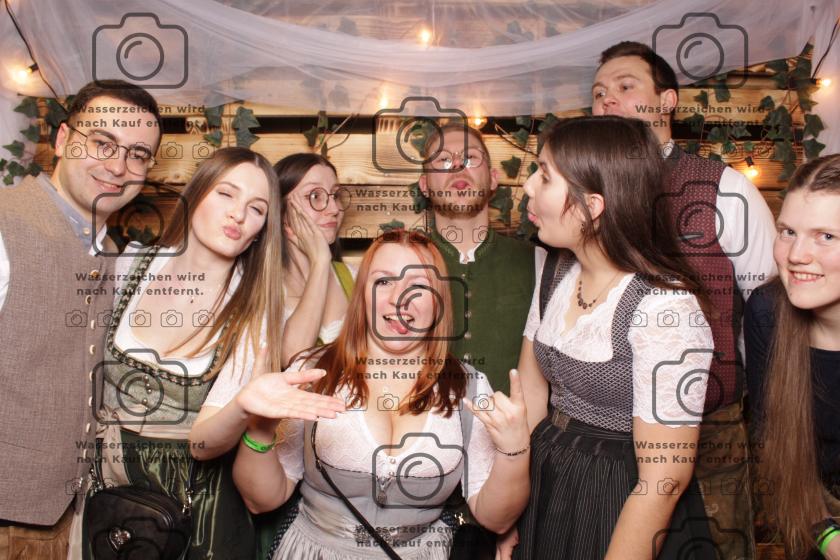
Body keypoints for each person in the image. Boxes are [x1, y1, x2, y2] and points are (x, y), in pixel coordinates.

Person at [231, 229, 531, 559]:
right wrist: (259, 426)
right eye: (384, 281)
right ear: (362, 294)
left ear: (439, 302)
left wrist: (514, 450)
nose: (399, 298)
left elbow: (496, 519)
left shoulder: (468, 387)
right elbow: (261, 501)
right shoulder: (312, 373)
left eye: (419, 285)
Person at [591, 40, 779, 558]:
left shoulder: (725, 190)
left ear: (667, 100)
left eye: (625, 87)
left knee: (719, 547)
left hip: (709, 425)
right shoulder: (580, 196)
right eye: (599, 93)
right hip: (606, 428)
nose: (608, 100)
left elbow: (767, 312)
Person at [508, 116, 716, 560]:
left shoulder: (666, 308)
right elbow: (530, 399)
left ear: (592, 205)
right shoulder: (555, 271)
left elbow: (663, 480)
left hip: (621, 498)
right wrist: (509, 514)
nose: (527, 186)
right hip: (548, 482)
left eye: (544, 175)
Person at [79, 147, 293, 559]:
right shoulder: (131, 263)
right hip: (108, 482)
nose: (238, 214)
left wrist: (243, 407)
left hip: (197, 503)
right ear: (195, 195)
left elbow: (203, 445)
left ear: (261, 230)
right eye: (226, 193)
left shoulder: (255, 312)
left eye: (256, 209)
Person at [0, 80, 161, 559]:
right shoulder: (5, 225)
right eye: (103, 143)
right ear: (63, 139)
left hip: (64, 520)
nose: (118, 167)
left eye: (137, 154)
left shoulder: (109, 251)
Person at [745, 154, 840, 560]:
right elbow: (777, 442)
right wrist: (827, 537)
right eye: (787, 231)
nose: (796, 254)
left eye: (826, 236)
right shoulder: (766, 311)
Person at [419, 123, 535, 394]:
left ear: (493, 178)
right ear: (424, 185)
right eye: (443, 160)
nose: (458, 166)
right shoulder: (399, 261)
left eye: (470, 157)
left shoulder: (537, 262)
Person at [276, 153, 356, 368]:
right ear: (281, 211)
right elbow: (293, 358)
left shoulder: (356, 278)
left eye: (335, 195)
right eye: (314, 196)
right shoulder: (261, 286)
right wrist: (320, 261)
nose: (334, 209)